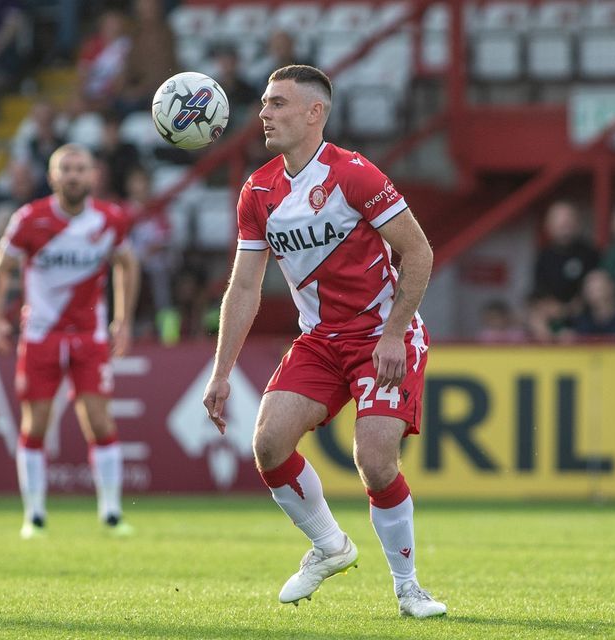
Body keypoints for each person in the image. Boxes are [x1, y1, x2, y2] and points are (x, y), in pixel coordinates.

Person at [202, 65, 446, 618]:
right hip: (319, 339)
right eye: (264, 103)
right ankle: (330, 545)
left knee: (376, 459)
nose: (264, 112)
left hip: (384, 333)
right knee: (267, 444)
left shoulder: (355, 174)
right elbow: (243, 286)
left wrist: (390, 334)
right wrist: (220, 373)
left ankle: (409, 588)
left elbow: (420, 253)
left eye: (278, 103)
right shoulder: (257, 191)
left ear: (315, 113)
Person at [0, 144, 139, 539]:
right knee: (35, 424)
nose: (73, 176)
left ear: (93, 176)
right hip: (40, 335)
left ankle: (112, 512)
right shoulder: (30, 219)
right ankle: (33, 515)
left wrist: (123, 319)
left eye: (80, 169)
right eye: (65, 169)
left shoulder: (110, 220)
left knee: (99, 420)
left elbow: (126, 264)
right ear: (52, 177)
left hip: (89, 335)